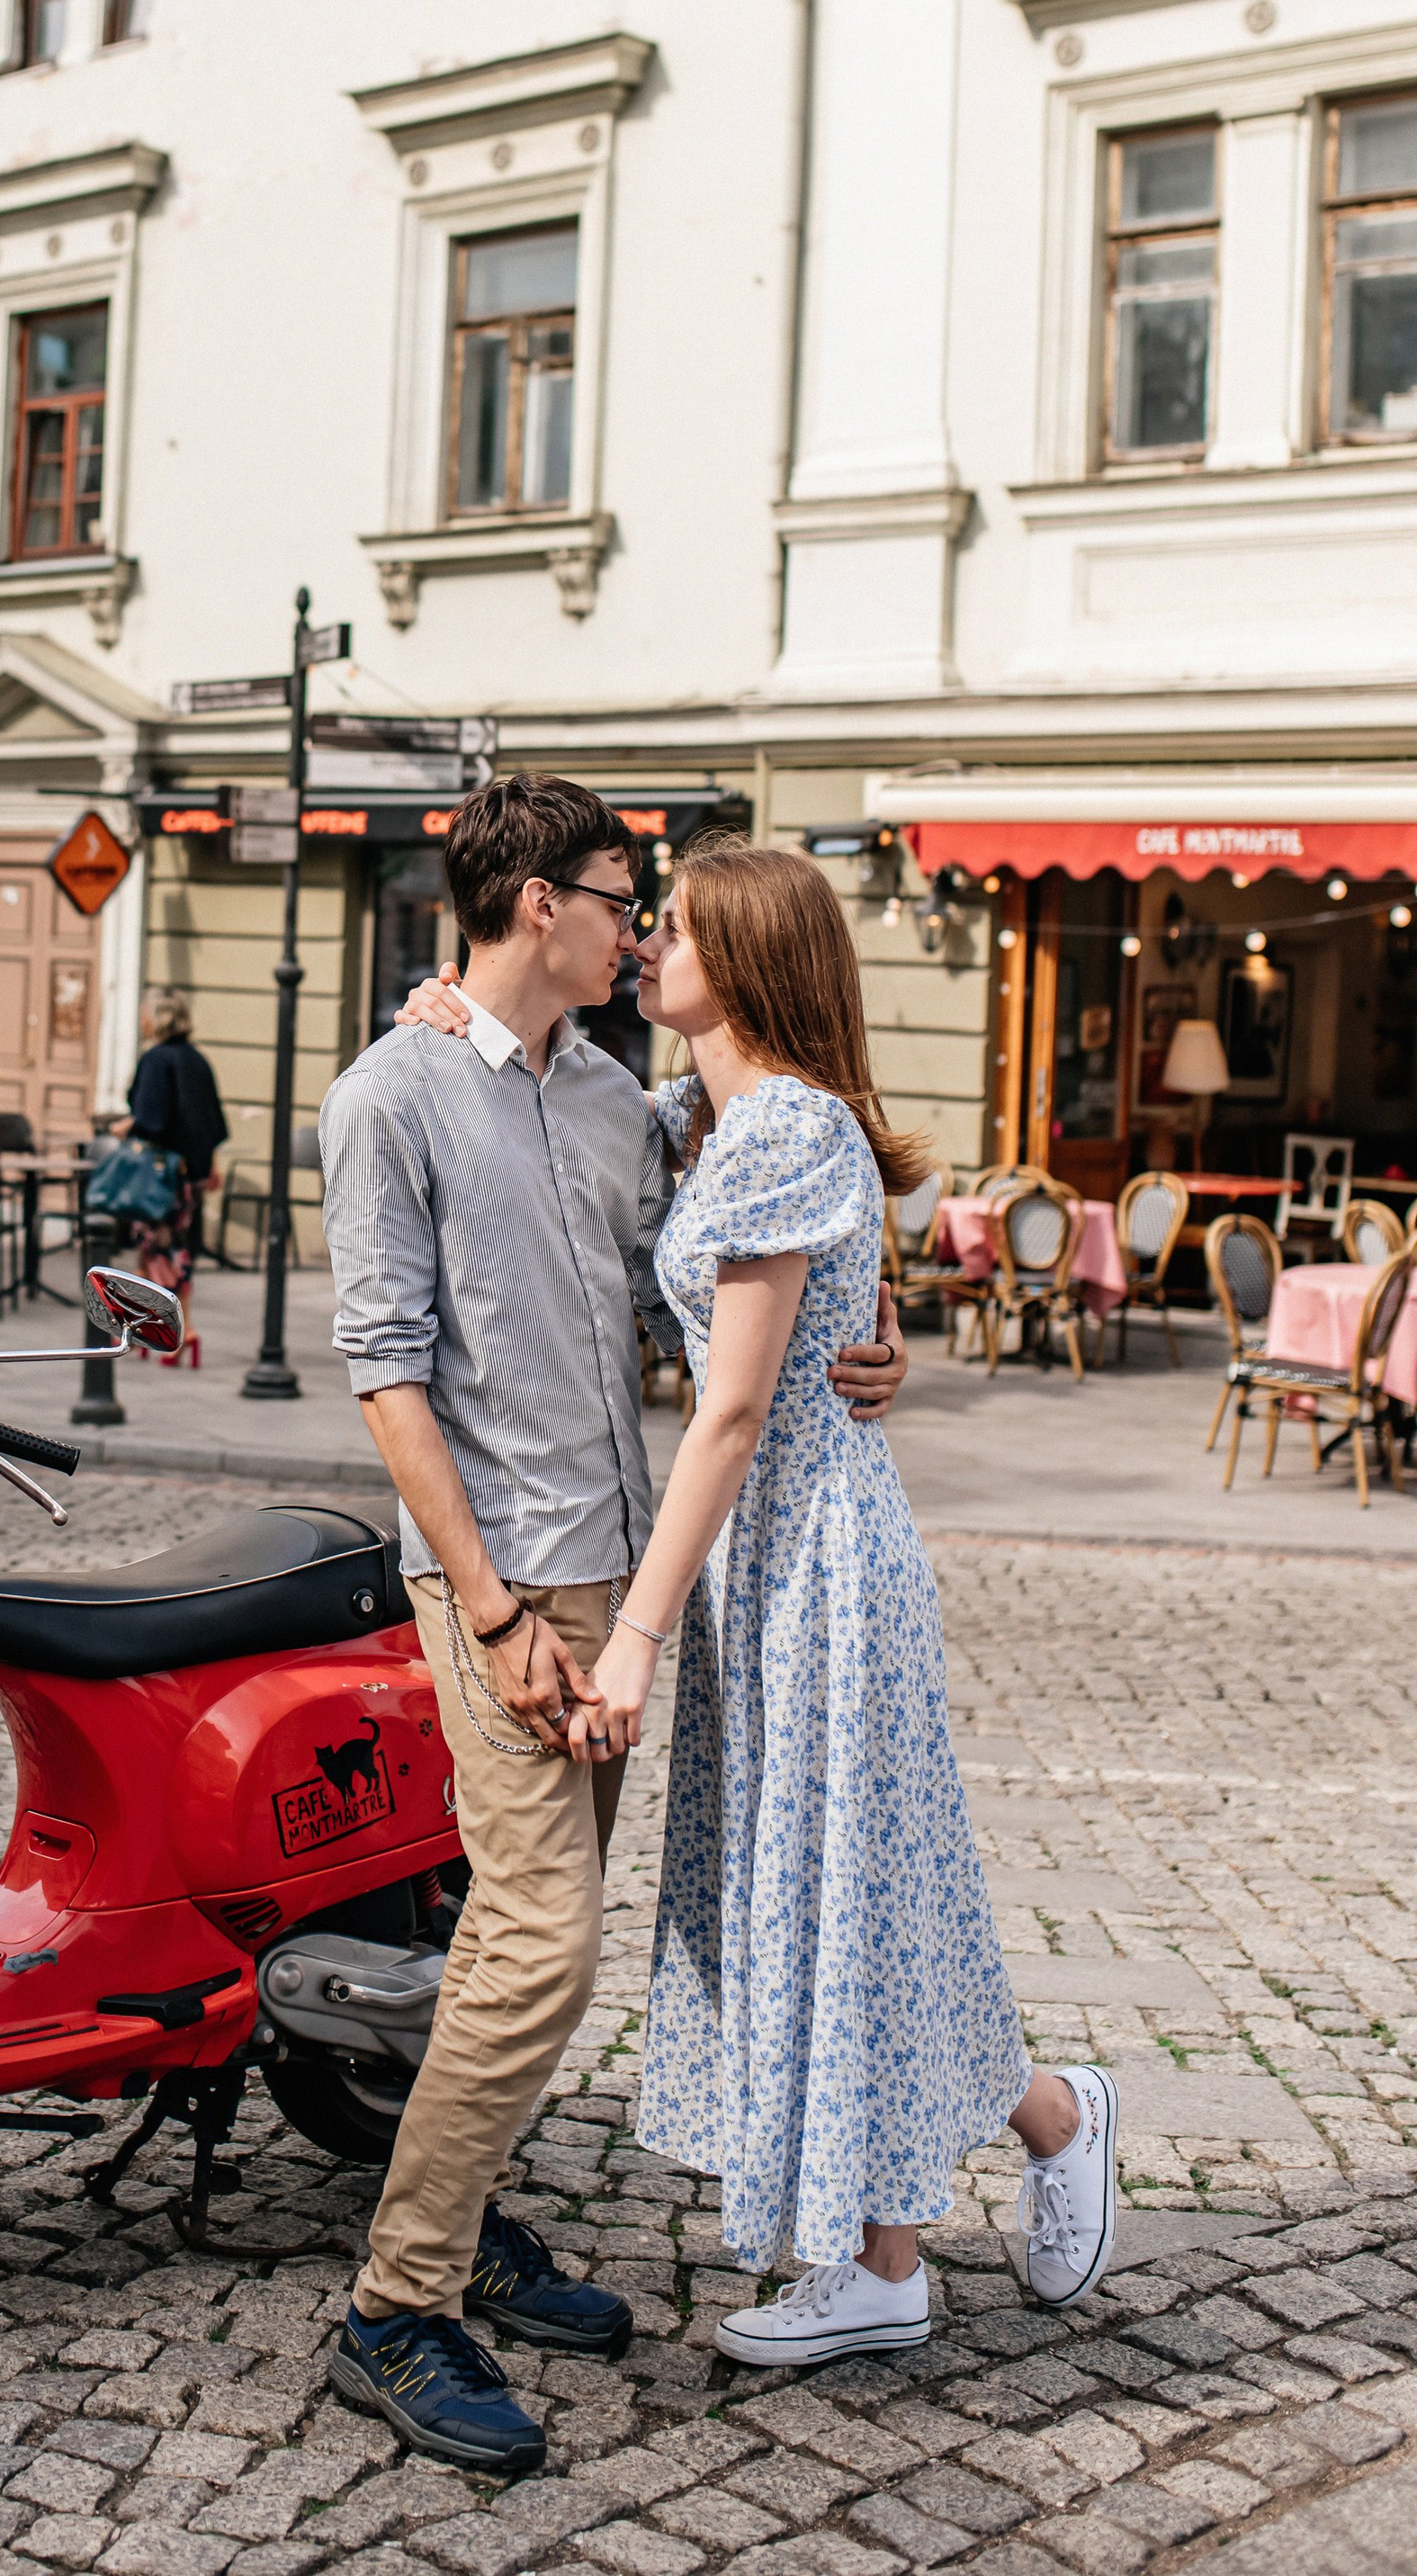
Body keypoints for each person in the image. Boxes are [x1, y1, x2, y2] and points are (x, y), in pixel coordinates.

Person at [405, 831, 1117, 2374]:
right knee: (837, 1894)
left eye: (678, 927)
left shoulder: (783, 1129)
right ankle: (904, 2245)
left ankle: (997, 2165)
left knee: (852, 1888)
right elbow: (555, 1084)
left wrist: (641, 1635)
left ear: (751, 959)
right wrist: (448, 1010)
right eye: (640, 918)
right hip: (761, 1554)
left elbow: (728, 1414)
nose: (648, 942)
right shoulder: (704, 1115)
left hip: (812, 1557)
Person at [318, 776, 909, 2479]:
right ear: (528, 911)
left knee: (537, 1947)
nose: (636, 922)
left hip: (622, 1575)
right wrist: (494, 1609)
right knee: (538, 1947)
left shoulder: (614, 1102)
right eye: (613, 892)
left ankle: (474, 2222)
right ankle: (397, 2303)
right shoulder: (390, 1098)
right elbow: (386, 1378)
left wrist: (879, 1347)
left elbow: (779, 1231)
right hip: (503, 1588)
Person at [114, 988, 227, 1301]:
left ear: (154, 1019)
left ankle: (164, 1329)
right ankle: (181, 1329)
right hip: (191, 1174)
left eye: (143, 1015)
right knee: (179, 1245)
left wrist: (128, 1125)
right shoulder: (197, 1060)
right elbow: (211, 1119)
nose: (140, 1022)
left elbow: (153, 1120)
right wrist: (212, 1164)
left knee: (157, 1250)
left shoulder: (156, 1060)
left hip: (159, 1178)